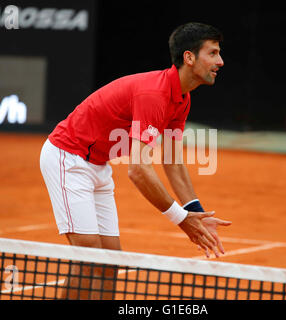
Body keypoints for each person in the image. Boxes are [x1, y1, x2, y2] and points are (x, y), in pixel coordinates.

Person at [40, 22, 231, 299]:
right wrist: (181, 219)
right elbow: (138, 170)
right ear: (189, 57)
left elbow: (172, 160)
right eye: (212, 53)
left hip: (99, 165)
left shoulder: (182, 98)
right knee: (89, 256)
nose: (220, 61)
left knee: (109, 262)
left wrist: (196, 213)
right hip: (67, 158)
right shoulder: (154, 94)